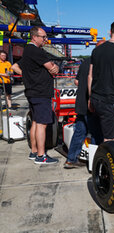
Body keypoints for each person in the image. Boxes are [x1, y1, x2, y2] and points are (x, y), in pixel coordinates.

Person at [11, 26, 59, 164]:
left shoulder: (28, 51)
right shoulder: (36, 51)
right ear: (34, 37)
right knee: (42, 124)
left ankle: (34, 151)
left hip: (33, 91)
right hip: (41, 92)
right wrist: (52, 68)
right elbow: (53, 69)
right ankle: (41, 155)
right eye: (43, 37)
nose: (46, 39)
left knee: (36, 122)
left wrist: (27, 76)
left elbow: (14, 67)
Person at [64, 40, 106, 169]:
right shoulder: (98, 64)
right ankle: (94, 164)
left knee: (79, 133)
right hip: (91, 105)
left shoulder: (85, 62)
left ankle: (70, 159)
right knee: (97, 135)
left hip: (81, 104)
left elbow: (76, 81)